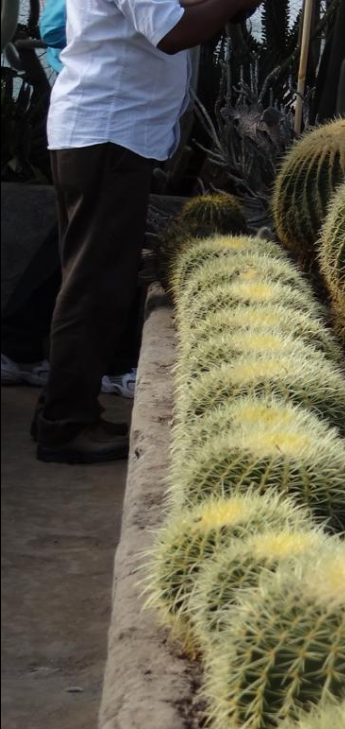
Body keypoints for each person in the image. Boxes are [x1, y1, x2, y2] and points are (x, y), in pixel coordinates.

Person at [36, 0, 262, 463]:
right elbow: (172, 31)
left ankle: (61, 413)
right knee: (95, 287)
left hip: (106, 134)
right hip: (108, 134)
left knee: (89, 281)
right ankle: (65, 425)